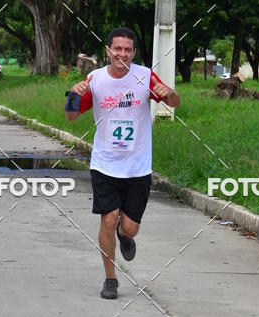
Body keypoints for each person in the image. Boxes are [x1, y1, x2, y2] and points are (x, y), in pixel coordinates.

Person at [65, 27, 180, 299]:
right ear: (108, 51)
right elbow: (70, 116)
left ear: (134, 53)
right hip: (105, 163)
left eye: (128, 49)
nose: (122, 54)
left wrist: (169, 92)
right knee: (109, 218)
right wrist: (73, 92)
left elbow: (174, 102)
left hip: (138, 166)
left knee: (128, 227)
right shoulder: (95, 79)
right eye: (117, 49)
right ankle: (110, 278)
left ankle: (125, 236)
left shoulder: (144, 76)